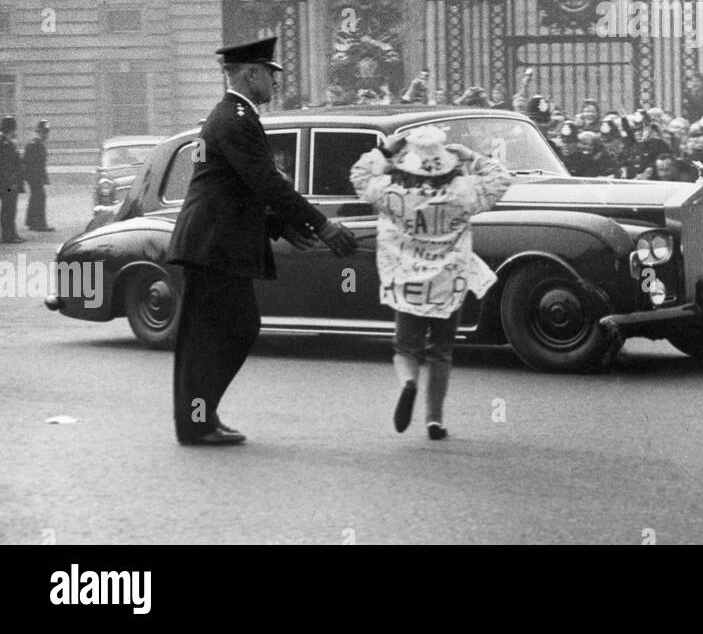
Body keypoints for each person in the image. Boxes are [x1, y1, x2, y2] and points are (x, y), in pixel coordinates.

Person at [168, 37, 359, 446]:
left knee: (219, 332)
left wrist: (280, 225)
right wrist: (322, 225)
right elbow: (264, 181)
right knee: (227, 331)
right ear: (251, 73)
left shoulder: (233, 115)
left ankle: (199, 419)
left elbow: (240, 187)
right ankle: (197, 421)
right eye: (270, 73)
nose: (274, 81)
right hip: (213, 243)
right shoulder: (236, 118)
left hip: (214, 241)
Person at [351, 124, 511, 441]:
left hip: (406, 280)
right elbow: (500, 179)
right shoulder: (462, 191)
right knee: (441, 352)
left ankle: (408, 382)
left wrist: (385, 151)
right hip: (448, 282)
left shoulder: (390, 189)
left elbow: (359, 176)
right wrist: (473, 157)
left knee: (405, 348)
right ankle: (434, 419)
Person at [23, 119, 53, 232]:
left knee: (35, 197)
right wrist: (36, 177)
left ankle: (31, 222)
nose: (46, 135)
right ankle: (40, 224)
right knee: (40, 197)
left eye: (46, 132)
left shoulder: (38, 144)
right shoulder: (35, 145)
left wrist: (44, 177)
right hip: (34, 177)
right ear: (40, 132)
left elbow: (41, 164)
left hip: (36, 177)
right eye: (44, 132)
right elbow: (29, 162)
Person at [0, 115, 23, 244]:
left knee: (11, 209)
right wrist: (11, 182)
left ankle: (12, 233)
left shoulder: (8, 141)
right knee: (9, 209)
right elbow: (5, 166)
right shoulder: (4, 142)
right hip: (7, 184)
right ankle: (8, 235)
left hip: (9, 182)